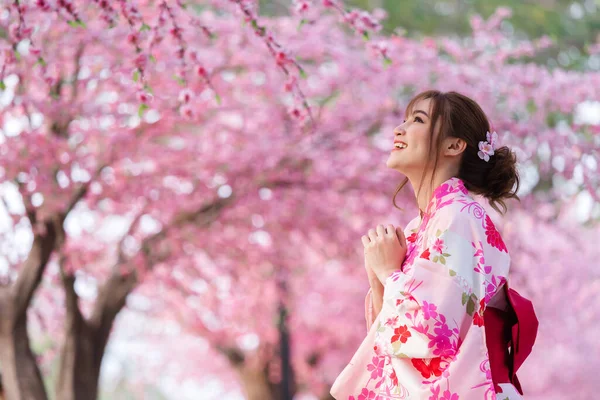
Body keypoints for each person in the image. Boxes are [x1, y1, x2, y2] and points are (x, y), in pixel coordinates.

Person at [330, 90, 537, 400]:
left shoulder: (458, 216)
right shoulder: (423, 225)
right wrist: (379, 279)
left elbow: (433, 335)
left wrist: (389, 272)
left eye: (417, 120)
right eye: (404, 119)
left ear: (453, 145)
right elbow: (394, 338)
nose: (399, 129)